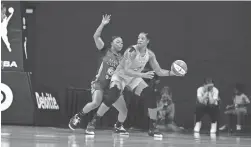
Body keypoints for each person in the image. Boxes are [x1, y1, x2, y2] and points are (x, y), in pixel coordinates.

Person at [85, 32, 182, 137]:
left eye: (142, 38)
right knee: (113, 94)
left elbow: (158, 71)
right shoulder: (132, 50)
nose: (139, 40)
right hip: (120, 75)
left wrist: (173, 73)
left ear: (147, 41)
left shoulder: (150, 54)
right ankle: (93, 122)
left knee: (150, 94)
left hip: (133, 77)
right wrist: (143, 75)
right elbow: (126, 70)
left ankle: (152, 127)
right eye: (138, 38)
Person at [68, 14, 123, 130]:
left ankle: (118, 126)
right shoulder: (105, 50)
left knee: (123, 110)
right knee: (96, 103)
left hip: (111, 88)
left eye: (122, 42)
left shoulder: (122, 58)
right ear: (112, 43)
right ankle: (78, 116)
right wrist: (103, 24)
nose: (120, 44)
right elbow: (96, 36)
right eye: (118, 42)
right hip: (99, 83)